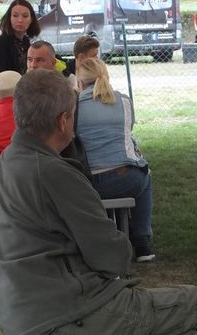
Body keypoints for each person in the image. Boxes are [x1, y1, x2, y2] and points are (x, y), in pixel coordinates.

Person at [0, 69, 197, 335]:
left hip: (23, 317)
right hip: (71, 313)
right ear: (63, 121)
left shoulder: (5, 164)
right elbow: (111, 256)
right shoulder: (55, 173)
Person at [75, 57, 154, 261]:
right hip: (126, 179)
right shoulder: (124, 101)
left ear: (79, 81)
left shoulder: (74, 106)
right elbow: (127, 132)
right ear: (106, 76)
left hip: (88, 183)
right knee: (145, 174)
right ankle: (142, 242)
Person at [0, 0, 40, 114]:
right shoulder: (0, 43)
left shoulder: (26, 42)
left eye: (25, 16)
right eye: (15, 16)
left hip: (18, 100)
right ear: (9, 18)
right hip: (0, 102)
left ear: (31, 19)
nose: (20, 20)